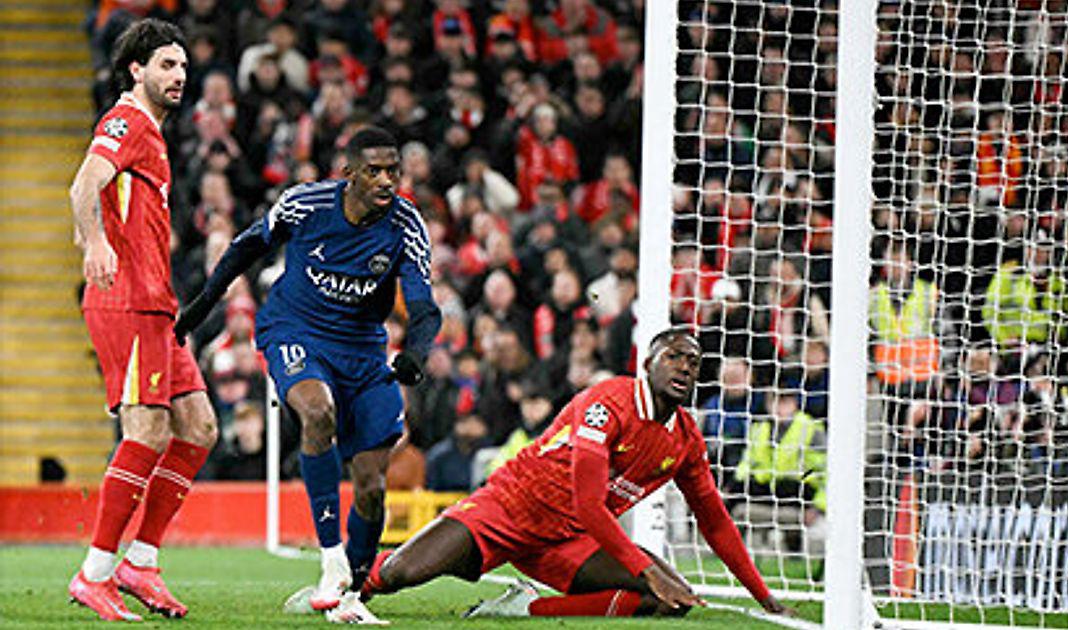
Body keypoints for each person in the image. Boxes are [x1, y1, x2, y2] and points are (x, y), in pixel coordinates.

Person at [174, 126, 442, 624]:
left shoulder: (406, 224)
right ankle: (331, 558)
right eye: (374, 171)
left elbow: (425, 306)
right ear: (349, 173)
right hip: (295, 329)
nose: (387, 181)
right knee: (318, 412)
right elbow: (246, 246)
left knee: (371, 485)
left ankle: (352, 593)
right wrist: (202, 306)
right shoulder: (305, 204)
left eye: (393, 171)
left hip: (364, 350)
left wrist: (416, 354)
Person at [358, 329, 795, 620]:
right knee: (397, 575)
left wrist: (765, 597)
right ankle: (350, 580)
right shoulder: (608, 403)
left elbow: (715, 521)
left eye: (694, 362)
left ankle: (524, 608)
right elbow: (589, 503)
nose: (684, 367)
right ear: (648, 364)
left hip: (568, 538)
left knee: (670, 600)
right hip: (509, 508)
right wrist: (647, 569)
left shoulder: (685, 441)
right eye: (674, 356)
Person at [67, 19, 219, 622]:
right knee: (147, 431)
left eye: (182, 66)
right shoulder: (126, 121)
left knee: (199, 426)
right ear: (136, 70)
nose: (179, 76)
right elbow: (83, 184)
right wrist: (96, 243)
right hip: (127, 300)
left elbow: (96, 198)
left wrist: (100, 230)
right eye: (166, 65)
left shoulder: (151, 131)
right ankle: (95, 573)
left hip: (158, 304)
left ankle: (142, 563)